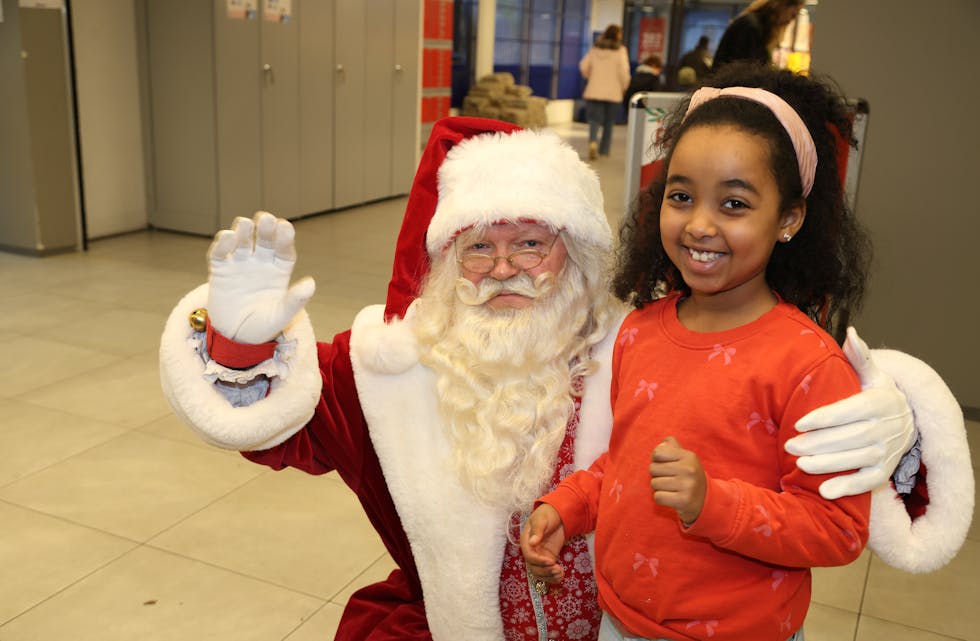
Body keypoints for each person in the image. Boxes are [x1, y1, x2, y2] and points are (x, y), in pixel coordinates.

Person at [159, 114, 971, 640]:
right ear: (445, 261)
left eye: (531, 243)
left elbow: (775, 374)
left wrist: (893, 414)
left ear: (577, 256)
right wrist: (239, 343)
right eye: (478, 246)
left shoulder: (640, 339)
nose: (503, 268)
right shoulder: (389, 366)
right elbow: (278, 429)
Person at [522, 63, 874, 641]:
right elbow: (629, 463)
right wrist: (568, 507)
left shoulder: (808, 365)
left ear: (788, 219)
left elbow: (837, 528)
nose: (700, 224)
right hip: (623, 619)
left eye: (734, 204)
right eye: (681, 196)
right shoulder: (639, 331)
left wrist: (713, 504)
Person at [579, 24, 630, 160]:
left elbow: (583, 66)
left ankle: (593, 142)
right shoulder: (621, 51)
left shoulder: (595, 49)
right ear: (618, 35)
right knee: (609, 122)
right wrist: (624, 86)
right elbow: (624, 72)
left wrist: (590, 76)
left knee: (594, 120)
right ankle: (604, 150)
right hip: (613, 92)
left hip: (594, 90)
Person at [712, 0, 804, 71]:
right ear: (782, 5)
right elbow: (746, 71)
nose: (789, 21)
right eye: (792, 15)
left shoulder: (754, 25)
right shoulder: (750, 26)